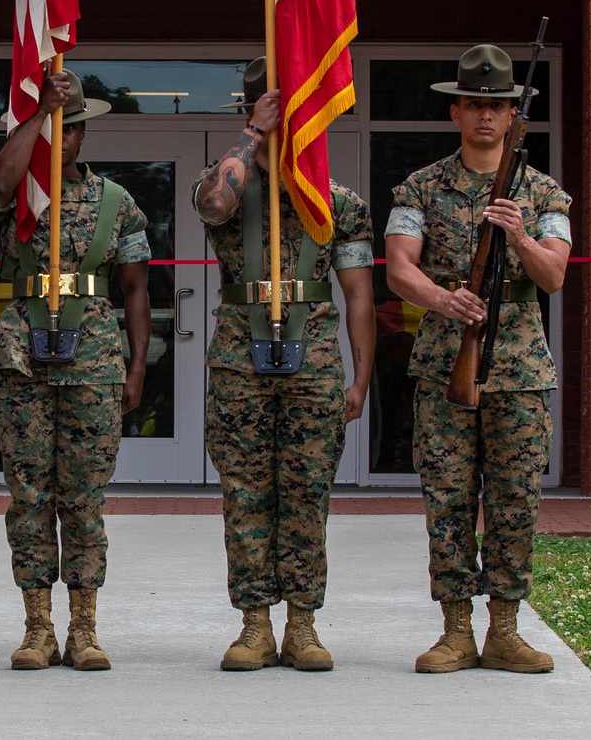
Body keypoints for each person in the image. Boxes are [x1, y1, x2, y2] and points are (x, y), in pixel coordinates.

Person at [385, 43, 571, 676]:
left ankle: (506, 630)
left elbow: (554, 277)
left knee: (516, 500)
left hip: (519, 371)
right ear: (456, 111)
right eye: (474, 104)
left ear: (514, 114)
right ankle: (456, 631)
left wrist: (518, 232)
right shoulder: (422, 185)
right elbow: (398, 268)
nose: (486, 116)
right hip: (445, 365)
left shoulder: (543, 192)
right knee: (449, 500)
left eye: (498, 105)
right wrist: (444, 298)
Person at [194, 58, 376, 673]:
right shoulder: (225, 179)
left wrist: (361, 377)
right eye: (267, 106)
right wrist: (251, 134)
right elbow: (215, 206)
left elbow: (357, 294)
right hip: (240, 358)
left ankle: (302, 624)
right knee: (245, 492)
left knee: (306, 493)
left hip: (315, 361)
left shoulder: (335, 202)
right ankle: (254, 626)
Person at [0, 70, 151, 672]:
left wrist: (136, 370)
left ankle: (83, 628)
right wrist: (36, 116)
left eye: (68, 128)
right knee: (28, 496)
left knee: (84, 499)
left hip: (94, 362)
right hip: (22, 358)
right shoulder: (21, 198)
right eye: (53, 127)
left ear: (82, 134)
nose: (61, 138)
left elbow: (135, 290)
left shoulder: (116, 203)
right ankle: (37, 628)